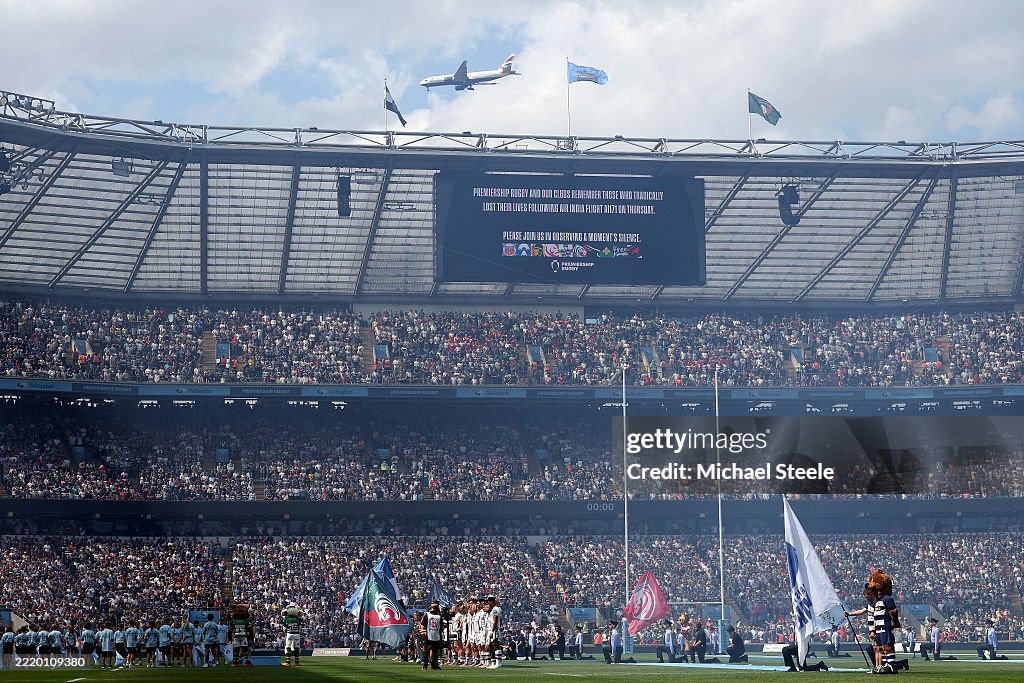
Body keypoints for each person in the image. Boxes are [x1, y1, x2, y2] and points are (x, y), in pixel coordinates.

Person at [420, 600, 445, 670]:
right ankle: (433, 665)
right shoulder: (439, 616)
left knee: (427, 651)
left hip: (429, 635)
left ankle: (425, 666)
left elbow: (422, 625)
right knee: (434, 651)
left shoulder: (427, 615)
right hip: (436, 636)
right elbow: (442, 627)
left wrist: (423, 634)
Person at [282, 603, 303, 667]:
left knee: (288, 647)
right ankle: (297, 662)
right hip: (297, 634)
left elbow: (284, 628)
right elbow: (300, 628)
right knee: (297, 648)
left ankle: (288, 662)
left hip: (289, 634)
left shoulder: (287, 619)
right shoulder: (298, 619)